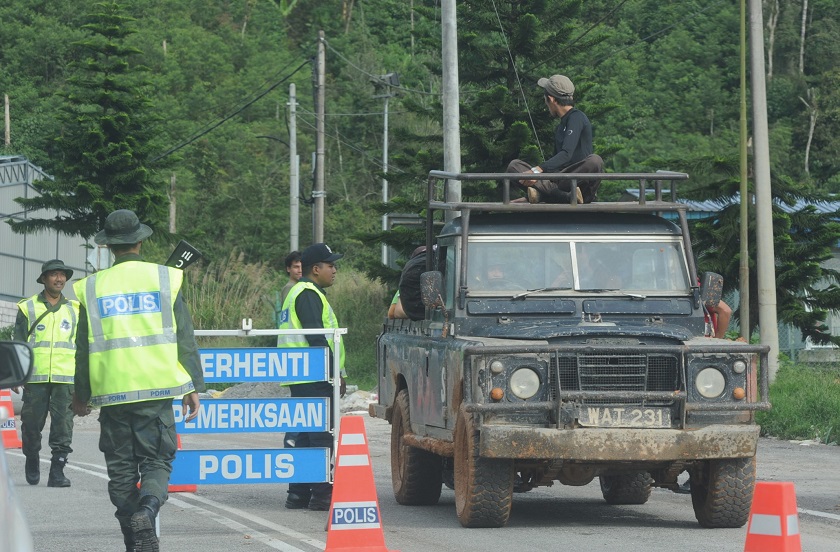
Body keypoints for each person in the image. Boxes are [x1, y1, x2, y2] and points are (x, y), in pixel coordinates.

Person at [71, 209, 204, 552]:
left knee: (120, 470)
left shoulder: (91, 286)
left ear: (109, 247)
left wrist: (81, 395)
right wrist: (191, 386)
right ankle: (148, 508)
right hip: (156, 391)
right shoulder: (165, 278)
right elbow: (184, 337)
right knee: (158, 460)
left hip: (112, 395)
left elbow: (83, 348)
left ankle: (135, 541)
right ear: (140, 241)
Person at [277, 242, 348, 511]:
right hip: (312, 374)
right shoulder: (307, 293)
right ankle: (322, 495)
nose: (335, 270)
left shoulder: (300, 292)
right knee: (320, 436)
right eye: (331, 265)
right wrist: (333, 373)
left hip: (301, 373)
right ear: (316, 269)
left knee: (306, 436)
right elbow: (317, 338)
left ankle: (298, 494)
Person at [12, 259, 80, 488]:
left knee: (64, 426)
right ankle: (32, 458)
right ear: (43, 279)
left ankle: (57, 472)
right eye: (54, 275)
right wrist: (16, 373)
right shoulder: (28, 306)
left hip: (66, 379)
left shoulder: (76, 310)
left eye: (63, 275)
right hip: (36, 378)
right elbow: (18, 343)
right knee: (31, 426)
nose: (59, 279)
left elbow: (82, 345)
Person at [507, 74, 604, 204]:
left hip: (579, 183)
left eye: (545, 99)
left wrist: (537, 170)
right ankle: (560, 196)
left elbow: (566, 153)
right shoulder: (560, 127)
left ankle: (545, 195)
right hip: (560, 181)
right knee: (514, 166)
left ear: (551, 99)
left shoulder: (577, 117)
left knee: (595, 161)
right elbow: (556, 165)